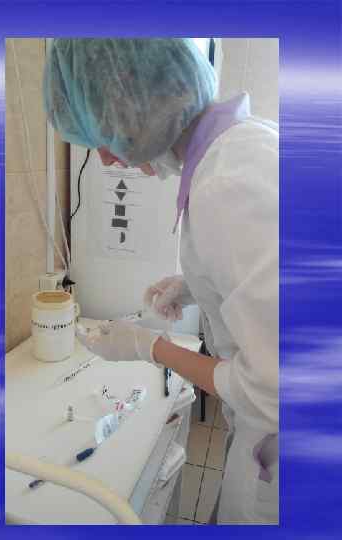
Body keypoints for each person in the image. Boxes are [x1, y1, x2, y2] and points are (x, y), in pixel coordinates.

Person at [44, 39, 278, 524]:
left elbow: (273, 389)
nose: (105, 160)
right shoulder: (248, 145)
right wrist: (196, 283)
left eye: (101, 136)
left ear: (135, 108)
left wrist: (150, 348)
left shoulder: (226, 185)